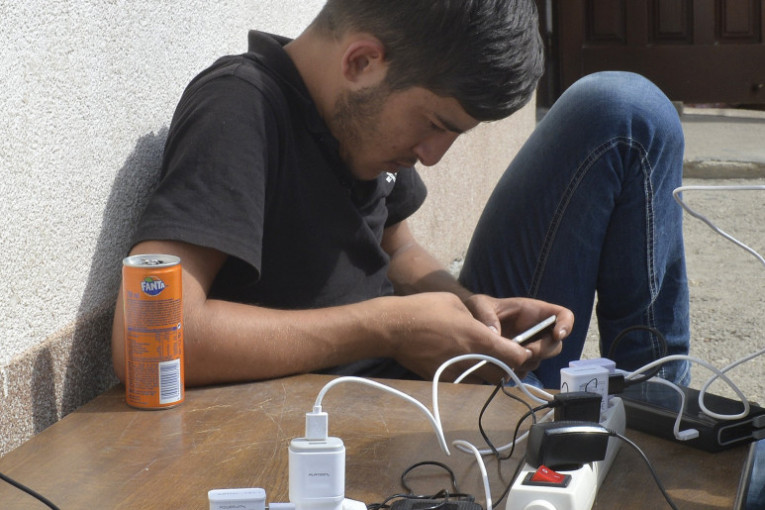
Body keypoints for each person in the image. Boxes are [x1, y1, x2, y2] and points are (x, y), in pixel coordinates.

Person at [111, 0, 690, 389]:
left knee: (625, 109)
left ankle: (660, 411)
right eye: (434, 124)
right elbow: (149, 339)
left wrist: (472, 309)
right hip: (342, 417)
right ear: (362, 61)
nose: (432, 156)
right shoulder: (240, 109)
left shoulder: (362, 122)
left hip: (426, 377)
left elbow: (399, 250)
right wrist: (389, 327)